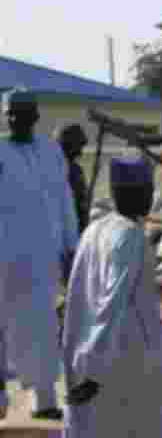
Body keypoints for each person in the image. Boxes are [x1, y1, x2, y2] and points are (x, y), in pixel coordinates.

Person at [62, 156, 162, 437]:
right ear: (132, 193)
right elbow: (111, 304)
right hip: (131, 357)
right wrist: (93, 370)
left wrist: (79, 358)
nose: (151, 196)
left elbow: (78, 297)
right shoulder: (130, 236)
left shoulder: (95, 229)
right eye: (147, 189)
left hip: (101, 352)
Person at [0, 88, 78, 420]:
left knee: (43, 326)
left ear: (35, 116)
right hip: (4, 255)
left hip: (44, 256)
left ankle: (44, 400)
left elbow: (64, 200)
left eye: (22, 112)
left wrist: (70, 245)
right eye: (10, 113)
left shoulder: (50, 151)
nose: (16, 118)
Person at [55, 123, 90, 340]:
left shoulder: (74, 169)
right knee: (73, 287)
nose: (82, 149)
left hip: (77, 234)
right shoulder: (60, 170)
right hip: (66, 237)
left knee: (75, 287)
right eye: (78, 145)